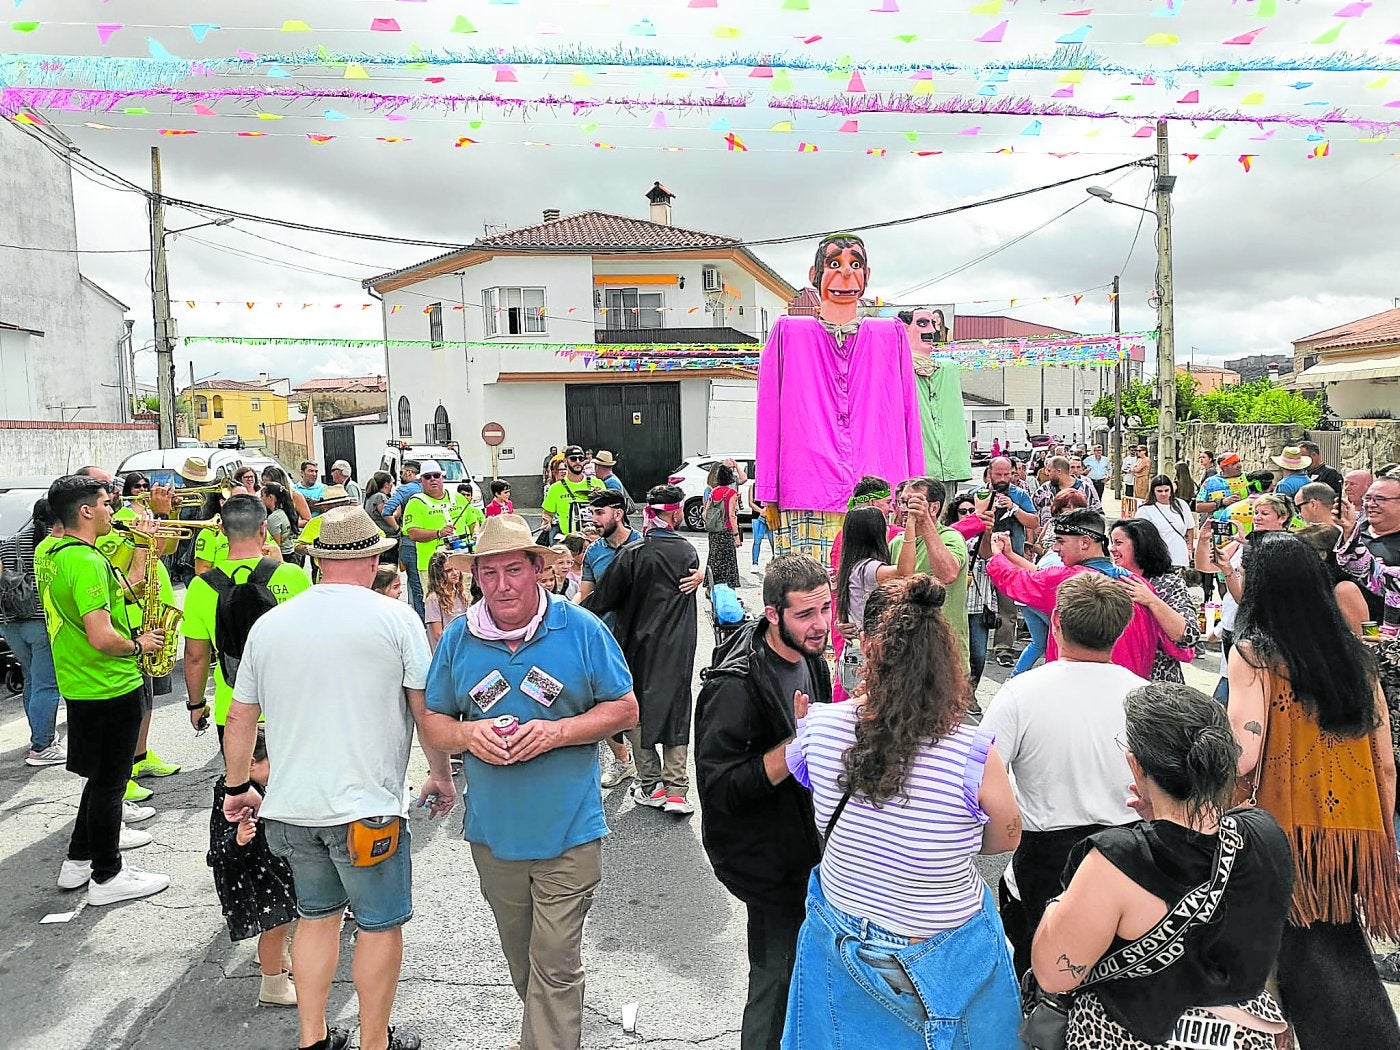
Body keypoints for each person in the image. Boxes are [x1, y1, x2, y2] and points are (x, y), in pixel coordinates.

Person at [223, 506, 456, 1050]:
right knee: (378, 925)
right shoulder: (395, 619)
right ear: (373, 558)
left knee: (316, 919)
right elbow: (425, 714)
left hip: (291, 808)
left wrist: (238, 789)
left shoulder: (272, 623)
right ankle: (374, 1041)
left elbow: (240, 717)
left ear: (320, 558)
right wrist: (439, 775)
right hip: (366, 808)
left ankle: (313, 1039)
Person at [418, 513, 637, 1050]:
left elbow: (625, 708)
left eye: (513, 570)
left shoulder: (580, 628)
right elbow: (434, 721)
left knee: (556, 968)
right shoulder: (460, 638)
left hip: (570, 833)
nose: (501, 585)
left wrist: (559, 731)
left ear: (538, 569)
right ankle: (544, 1034)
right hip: (496, 837)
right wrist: (469, 737)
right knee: (528, 966)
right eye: (488, 574)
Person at [782, 575, 1023, 1048]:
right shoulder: (971, 752)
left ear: (868, 648)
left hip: (838, 930)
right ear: (944, 661)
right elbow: (1007, 835)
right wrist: (948, 839)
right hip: (941, 942)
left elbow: (810, 782)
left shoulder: (820, 726)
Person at [1031, 683, 1294, 1050]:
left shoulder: (1116, 862)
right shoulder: (1266, 834)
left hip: (1129, 1034)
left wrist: (1059, 904)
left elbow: (1054, 974)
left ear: (1136, 765)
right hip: (1246, 1035)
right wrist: (1160, 816)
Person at [1226, 532, 1400, 1047]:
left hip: (1283, 827)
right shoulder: (1356, 656)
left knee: (1285, 947)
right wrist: (1379, 838)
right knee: (1333, 935)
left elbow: (1244, 754)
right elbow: (1385, 764)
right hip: (1354, 828)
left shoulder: (1254, 654)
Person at [696, 555, 831, 1050]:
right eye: (805, 615)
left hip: (807, 849)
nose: (819, 626)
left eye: (825, 609)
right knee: (774, 981)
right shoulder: (734, 686)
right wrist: (794, 752)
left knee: (802, 974)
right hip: (765, 860)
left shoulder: (810, 658)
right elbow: (720, 790)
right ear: (773, 614)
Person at [983, 572, 1146, 974]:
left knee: (1038, 977)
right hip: (1131, 855)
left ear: (1055, 620)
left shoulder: (1020, 694)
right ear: (1122, 627)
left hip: (1044, 858)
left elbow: (980, 778)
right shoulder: (1145, 695)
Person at [756, 234, 924, 564]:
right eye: (834, 264)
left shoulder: (889, 335)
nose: (846, 274)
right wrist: (768, 490)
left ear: (867, 275)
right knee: (810, 594)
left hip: (878, 492)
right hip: (806, 489)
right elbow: (769, 416)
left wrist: (914, 487)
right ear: (814, 274)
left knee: (875, 595)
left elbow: (908, 412)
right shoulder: (789, 334)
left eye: (855, 264)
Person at [41, 476, 169, 905]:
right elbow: (101, 635)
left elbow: (122, 590)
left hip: (79, 683)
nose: (113, 511)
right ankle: (107, 875)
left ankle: (79, 860)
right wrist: (139, 644)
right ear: (86, 511)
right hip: (110, 683)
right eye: (106, 504)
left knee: (99, 779)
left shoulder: (50, 553)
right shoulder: (87, 561)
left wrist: (143, 551)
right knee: (112, 783)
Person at [584, 485, 700, 814]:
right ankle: (677, 790)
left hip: (636, 644)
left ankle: (651, 785)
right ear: (676, 512)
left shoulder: (633, 552)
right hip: (678, 645)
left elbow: (602, 599)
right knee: (677, 707)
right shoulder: (687, 551)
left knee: (637, 709)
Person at [988, 509, 1197, 680]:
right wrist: (1009, 555)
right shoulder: (1137, 585)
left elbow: (1018, 581)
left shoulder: (1070, 580)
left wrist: (997, 554)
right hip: (1131, 688)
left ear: (1085, 543)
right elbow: (1181, 648)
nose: (1055, 548)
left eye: (1061, 541)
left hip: (1079, 687)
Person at [79, 464, 182, 801]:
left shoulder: (127, 516)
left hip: (152, 614)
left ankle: (140, 757)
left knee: (148, 696)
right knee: (133, 701)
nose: (115, 490)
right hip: (131, 619)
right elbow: (130, 581)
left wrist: (165, 516)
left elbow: (164, 549)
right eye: (106, 487)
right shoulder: (111, 525)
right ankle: (122, 774)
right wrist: (149, 525)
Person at [182, 494, 312, 743]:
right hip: (289, 707)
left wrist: (196, 705)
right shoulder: (292, 576)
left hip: (233, 708)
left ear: (221, 529)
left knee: (242, 780)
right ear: (264, 528)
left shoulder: (201, 587)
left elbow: (196, 656)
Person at [207, 728, 299, 1008]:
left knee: (283, 922)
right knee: (275, 926)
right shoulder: (231, 797)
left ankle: (279, 960)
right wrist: (238, 840)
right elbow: (216, 852)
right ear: (249, 763)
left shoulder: (250, 787)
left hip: (267, 869)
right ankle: (273, 986)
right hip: (251, 877)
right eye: (272, 761)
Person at [1, 497, 64, 766]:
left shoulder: (8, 544)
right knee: (46, 684)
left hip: (10, 623)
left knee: (31, 680)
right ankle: (42, 745)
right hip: (40, 622)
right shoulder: (53, 544)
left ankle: (39, 736)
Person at [831, 506, 917, 692]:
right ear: (875, 534)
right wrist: (911, 526)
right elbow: (905, 573)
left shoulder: (852, 565)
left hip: (854, 654)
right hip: (865, 656)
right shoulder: (868, 568)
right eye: (884, 525)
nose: (888, 529)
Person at [889, 477, 969, 669]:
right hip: (906, 653)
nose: (906, 509)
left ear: (933, 508)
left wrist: (924, 522)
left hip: (945, 654)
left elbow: (948, 574)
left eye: (914, 502)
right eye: (903, 502)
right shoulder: (896, 543)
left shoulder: (951, 537)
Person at [1109, 518, 1201, 682]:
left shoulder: (1168, 583)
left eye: (1118, 543)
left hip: (1159, 686)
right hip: (1116, 680)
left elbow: (1189, 635)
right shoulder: (1109, 581)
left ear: (1140, 544)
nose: (1112, 549)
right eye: (1111, 543)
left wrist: (1152, 601)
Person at [977, 456, 1039, 668]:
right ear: (989, 474)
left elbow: (1034, 521)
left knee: (1008, 606)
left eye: (1007, 474)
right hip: (983, 557)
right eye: (998, 474)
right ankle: (976, 644)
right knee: (978, 604)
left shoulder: (1019, 494)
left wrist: (1014, 508)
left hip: (1010, 559)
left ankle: (1004, 648)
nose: (1003, 479)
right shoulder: (978, 494)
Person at [899, 306, 972, 485]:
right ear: (904, 328)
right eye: (922, 323)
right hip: (914, 471)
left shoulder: (947, 369)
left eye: (932, 324)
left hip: (948, 470)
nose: (931, 330)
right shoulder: (896, 369)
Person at [400, 461, 484, 594]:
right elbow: (412, 533)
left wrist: (476, 534)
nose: (433, 479)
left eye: (436, 475)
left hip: (461, 562)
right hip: (432, 566)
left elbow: (473, 522)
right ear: (421, 480)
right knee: (437, 604)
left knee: (466, 599)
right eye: (427, 477)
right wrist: (438, 533)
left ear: (442, 478)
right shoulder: (415, 503)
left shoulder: (458, 498)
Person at [1296, 523, 1374, 634]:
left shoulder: (1345, 589)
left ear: (1322, 554)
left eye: (1300, 552)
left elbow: (1365, 638)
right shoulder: (1314, 586)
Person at [382, 460, 424, 618]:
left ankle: (419, 619)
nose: (401, 475)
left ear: (409, 473)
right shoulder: (429, 489)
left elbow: (387, 511)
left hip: (409, 540)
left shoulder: (404, 490)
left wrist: (398, 528)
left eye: (402, 472)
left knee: (415, 583)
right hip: (430, 538)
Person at [541, 445, 604, 542]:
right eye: (573, 459)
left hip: (596, 541)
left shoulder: (597, 483)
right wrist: (546, 522)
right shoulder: (555, 488)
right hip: (570, 544)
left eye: (581, 458)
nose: (578, 461)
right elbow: (548, 514)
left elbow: (607, 511)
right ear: (565, 461)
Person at [1135, 473, 1196, 570]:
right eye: (1159, 491)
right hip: (1158, 559)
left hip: (1180, 557)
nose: (1163, 494)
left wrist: (1189, 547)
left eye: (1166, 490)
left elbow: (1190, 527)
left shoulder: (1181, 505)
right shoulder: (1145, 510)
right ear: (1153, 492)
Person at [422, 548, 469, 652]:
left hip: (462, 647)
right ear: (438, 574)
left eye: (456, 568)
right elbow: (438, 633)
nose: (455, 573)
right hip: (446, 651)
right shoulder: (433, 599)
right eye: (448, 571)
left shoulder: (460, 593)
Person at [705, 463, 743, 589]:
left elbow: (705, 512)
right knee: (728, 561)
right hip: (726, 531)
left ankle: (712, 588)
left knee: (714, 559)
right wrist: (736, 535)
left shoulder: (713, 491)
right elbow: (732, 515)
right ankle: (728, 590)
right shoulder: (731, 493)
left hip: (714, 531)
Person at [1034, 456, 1103, 522]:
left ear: (1059, 471)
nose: (1046, 473)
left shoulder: (1086, 489)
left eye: (1049, 470)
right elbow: (1031, 510)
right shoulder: (1044, 490)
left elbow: (1099, 515)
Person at [1195, 451, 1249, 522]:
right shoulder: (1210, 482)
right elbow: (1198, 507)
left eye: (1239, 461)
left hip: (1245, 528)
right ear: (1224, 467)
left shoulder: (1248, 478)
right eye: (1234, 463)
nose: (1239, 465)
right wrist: (1221, 502)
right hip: (1220, 528)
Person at [262, 482, 302, 563]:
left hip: (283, 557)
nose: (261, 499)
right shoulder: (285, 512)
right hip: (291, 555)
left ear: (270, 497)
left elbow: (276, 545)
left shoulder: (274, 517)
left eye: (262, 496)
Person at [746, 472, 775, 568]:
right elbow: (750, 502)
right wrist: (760, 511)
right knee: (757, 540)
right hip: (757, 516)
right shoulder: (753, 486)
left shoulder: (771, 485)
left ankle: (775, 559)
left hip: (770, 515)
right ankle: (755, 563)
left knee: (773, 540)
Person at [363, 472, 398, 537]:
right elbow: (387, 515)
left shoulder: (371, 497)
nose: (392, 485)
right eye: (391, 483)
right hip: (387, 535)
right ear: (386, 484)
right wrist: (397, 528)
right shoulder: (380, 497)